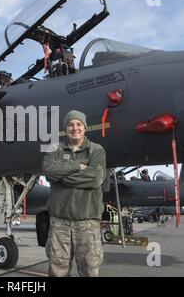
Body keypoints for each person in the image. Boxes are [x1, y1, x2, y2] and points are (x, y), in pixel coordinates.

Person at [42, 110, 106, 277]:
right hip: (59, 223)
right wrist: (78, 167)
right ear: (65, 128)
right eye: (70, 124)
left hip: (87, 222)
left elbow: (96, 178)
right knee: (57, 270)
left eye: (78, 124)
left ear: (84, 127)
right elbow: (49, 170)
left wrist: (61, 178)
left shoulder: (96, 150)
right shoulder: (55, 148)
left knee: (89, 270)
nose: (74, 128)